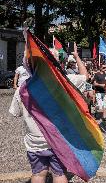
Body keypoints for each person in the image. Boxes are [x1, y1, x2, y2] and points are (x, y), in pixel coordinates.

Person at [9, 43, 87, 183]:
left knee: (38, 174)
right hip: (59, 139)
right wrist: (76, 56)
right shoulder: (65, 82)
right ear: (54, 63)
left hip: (34, 142)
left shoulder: (22, 88)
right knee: (59, 174)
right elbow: (85, 76)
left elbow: (15, 113)